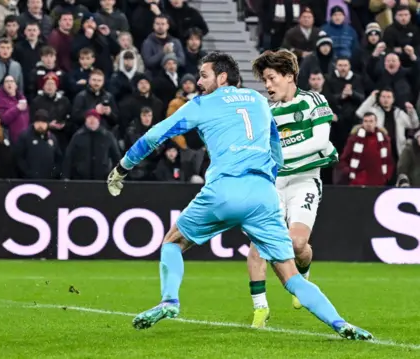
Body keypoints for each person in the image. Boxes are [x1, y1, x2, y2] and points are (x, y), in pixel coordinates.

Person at [105, 52, 372, 340]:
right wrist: (267, 176)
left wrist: (122, 168)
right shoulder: (258, 101)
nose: (198, 80)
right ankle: (341, 323)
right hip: (263, 195)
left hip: (222, 190)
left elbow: (154, 135)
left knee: (173, 242)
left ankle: (169, 300)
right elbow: (274, 147)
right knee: (291, 276)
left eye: (204, 75)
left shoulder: (202, 104)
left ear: (222, 77)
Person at [246, 50, 338, 328]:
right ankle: (260, 309)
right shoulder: (265, 110)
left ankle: (303, 279)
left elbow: (320, 141)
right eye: (264, 81)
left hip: (304, 180)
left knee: (297, 244)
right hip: (273, 183)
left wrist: (277, 154)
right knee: (258, 245)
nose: (268, 86)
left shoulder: (313, 100)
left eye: (272, 78)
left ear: (289, 76)